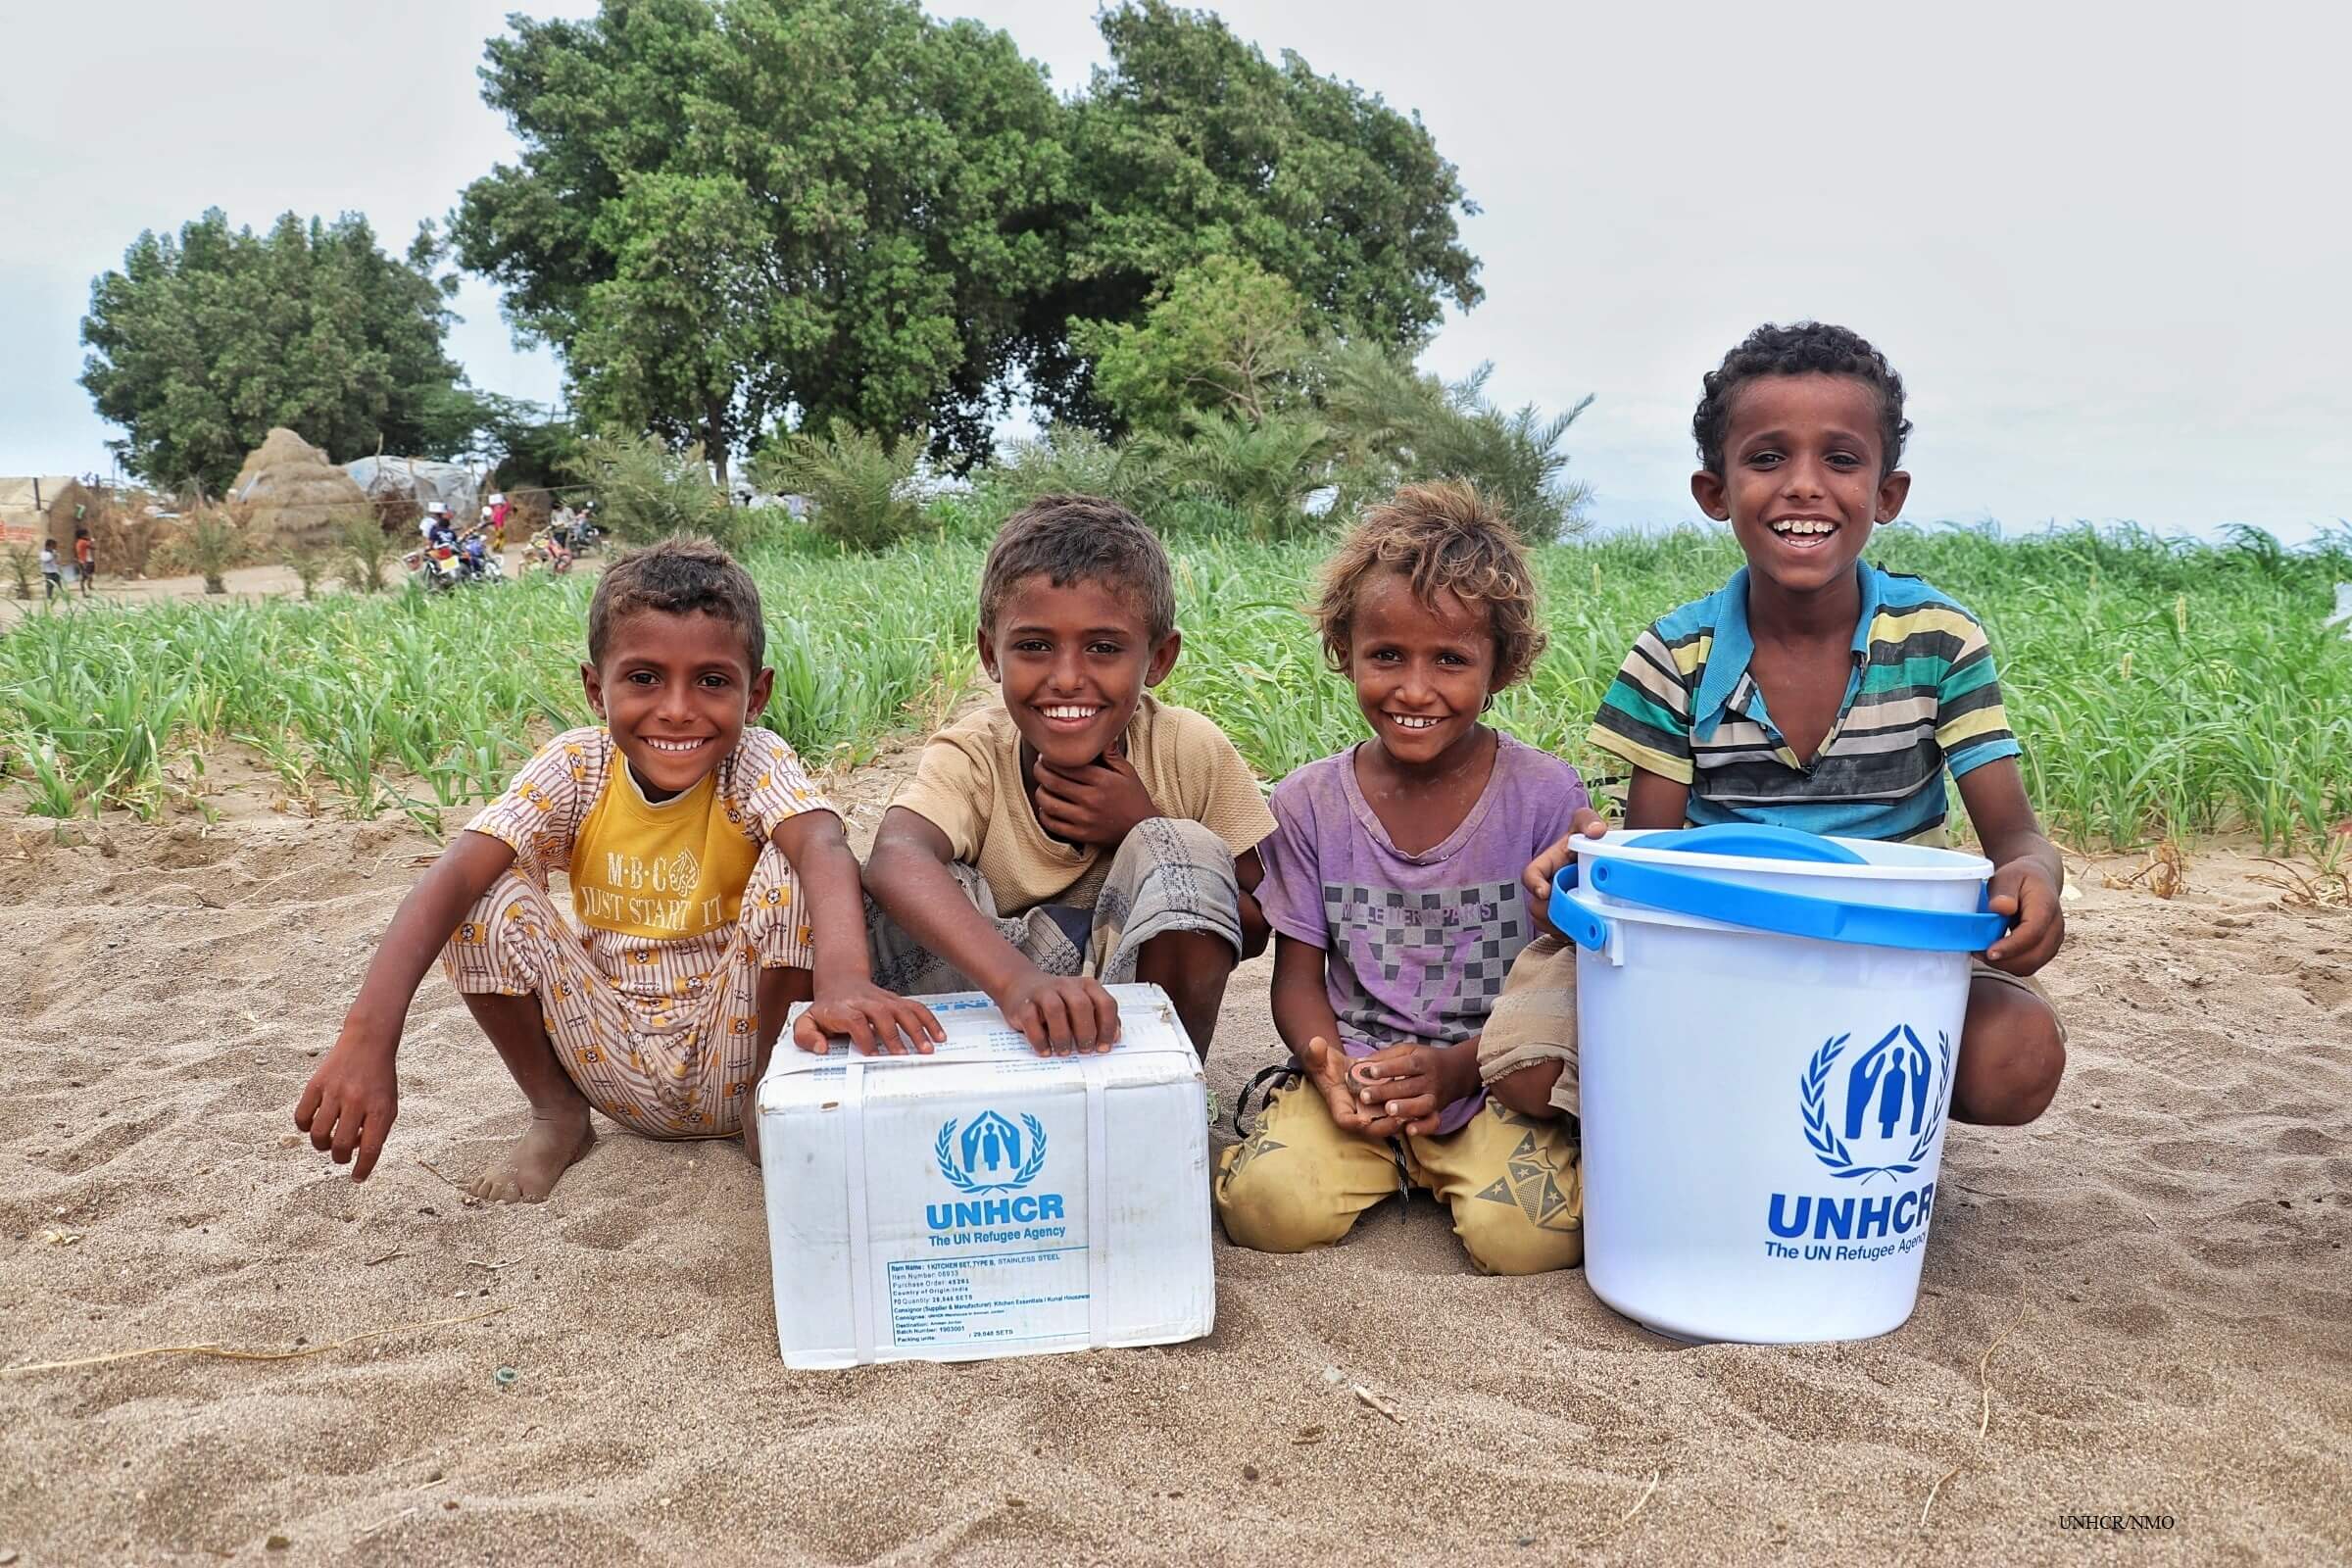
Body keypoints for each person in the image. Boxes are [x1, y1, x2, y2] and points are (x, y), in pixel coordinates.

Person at [1480, 321, 2067, 1131]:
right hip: (1714, 948)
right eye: (1766, 458)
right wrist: (1588, 864)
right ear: (1714, 493)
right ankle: (1762, 1101)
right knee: (1529, 1069)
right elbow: (1657, 862)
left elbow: (2018, 840)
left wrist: (2037, 881)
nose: (1803, 485)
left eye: (1841, 459)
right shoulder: (1675, 655)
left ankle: (1810, 1098)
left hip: (1889, 953)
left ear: (1887, 494)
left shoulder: (1939, 640)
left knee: (2016, 1059)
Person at [294, 538, 940, 1202]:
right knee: (482, 892)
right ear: (595, 690)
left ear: (757, 694)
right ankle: (557, 1115)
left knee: (795, 864)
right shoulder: (576, 768)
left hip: (747, 1051)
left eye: (712, 681)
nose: (678, 708)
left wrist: (843, 983)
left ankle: (759, 1111)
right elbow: (453, 875)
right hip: (609, 1053)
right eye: (644, 678)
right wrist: (369, 1037)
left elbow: (826, 846)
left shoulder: (756, 764)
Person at [1212, 482, 1606, 1275]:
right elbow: (1296, 979)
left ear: (1500, 668)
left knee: (1530, 1238)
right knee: (1267, 1210)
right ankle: (1343, 1142)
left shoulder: (1543, 796)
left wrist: (1457, 1070)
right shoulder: (1308, 803)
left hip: (1493, 1082)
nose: (1415, 689)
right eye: (1386, 655)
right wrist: (1327, 1068)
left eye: (1451, 660)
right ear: (1345, 651)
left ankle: (1458, 1159)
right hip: (1359, 1081)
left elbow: (1559, 983)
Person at [858, 495, 1276, 1060]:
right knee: (916, 883)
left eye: (1104, 648)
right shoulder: (974, 754)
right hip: (989, 1019)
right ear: (990, 653)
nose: (1067, 678)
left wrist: (1142, 826)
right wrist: (1017, 982)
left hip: (1124, 1029)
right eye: (1034, 647)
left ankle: (1160, 1088)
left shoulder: (1188, 749)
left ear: (1158, 658)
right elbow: (894, 855)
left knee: (1188, 848)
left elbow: (1253, 924)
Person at [73, 526, 94, 596]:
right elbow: (92, 546)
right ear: (82, 535)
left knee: (87, 577)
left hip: (86, 561)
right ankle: (85, 592)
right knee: (86, 577)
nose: (88, 535)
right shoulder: (83, 542)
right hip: (85, 562)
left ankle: (87, 590)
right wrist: (92, 540)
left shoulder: (79, 542)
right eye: (87, 534)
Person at [40, 538, 62, 602]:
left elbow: (57, 561)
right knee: (49, 585)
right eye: (53, 546)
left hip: (55, 571)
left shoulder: (54, 552)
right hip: (48, 572)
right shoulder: (43, 553)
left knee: (59, 584)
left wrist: (57, 557)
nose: (55, 548)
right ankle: (49, 597)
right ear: (48, 546)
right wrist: (52, 555)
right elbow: (45, 559)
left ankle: (62, 596)